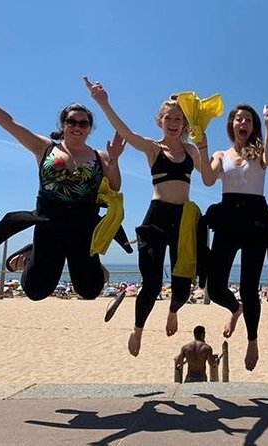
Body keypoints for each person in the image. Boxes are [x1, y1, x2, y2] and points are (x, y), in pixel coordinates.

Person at [0, 64, 125, 302]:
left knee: (89, 291)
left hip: (84, 225)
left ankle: (96, 271)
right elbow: (8, 122)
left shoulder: (101, 156)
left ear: (89, 128)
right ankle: (29, 254)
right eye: (72, 121)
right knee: (36, 291)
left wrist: (115, 159)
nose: (77, 126)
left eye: (83, 123)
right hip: (49, 221)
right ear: (63, 125)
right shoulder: (44, 147)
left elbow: (115, 187)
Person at [85, 77, 204, 357]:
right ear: (159, 121)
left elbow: (209, 175)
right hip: (156, 218)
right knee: (151, 284)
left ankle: (173, 311)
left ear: (184, 124)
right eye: (168, 118)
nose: (173, 122)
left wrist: (186, 104)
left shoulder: (191, 150)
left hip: (183, 220)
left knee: (183, 287)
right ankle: (138, 329)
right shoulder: (153, 148)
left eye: (178, 118)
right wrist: (103, 102)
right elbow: (124, 131)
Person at [197, 102, 268, 371]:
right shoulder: (222, 154)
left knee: (249, 287)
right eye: (238, 119)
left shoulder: (259, 153)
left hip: (255, 220)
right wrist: (203, 146)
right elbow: (208, 180)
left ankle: (252, 339)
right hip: (229, 217)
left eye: (248, 120)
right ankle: (235, 309)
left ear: (252, 126)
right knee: (216, 286)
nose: (243, 123)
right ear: (232, 125)